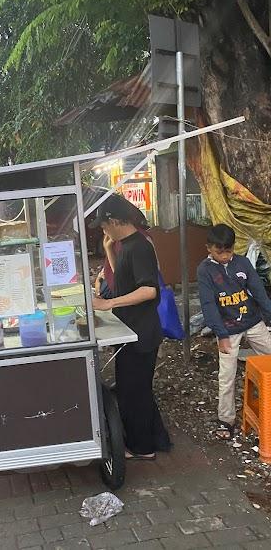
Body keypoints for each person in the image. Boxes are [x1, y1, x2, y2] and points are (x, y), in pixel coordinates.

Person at [92, 193, 171, 459]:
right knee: (134, 389)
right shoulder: (124, 246)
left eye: (104, 226)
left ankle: (142, 448)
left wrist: (106, 305)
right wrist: (108, 251)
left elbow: (149, 290)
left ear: (114, 220)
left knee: (134, 392)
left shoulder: (140, 246)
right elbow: (122, 284)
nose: (103, 231)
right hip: (130, 331)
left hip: (142, 333)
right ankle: (157, 439)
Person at [197, 223, 271, 440]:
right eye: (220, 252)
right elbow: (208, 305)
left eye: (228, 251)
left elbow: (259, 294)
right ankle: (226, 420)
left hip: (252, 321)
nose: (225, 256)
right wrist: (220, 334)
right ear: (208, 248)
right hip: (227, 329)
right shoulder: (205, 270)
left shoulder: (243, 263)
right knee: (227, 376)